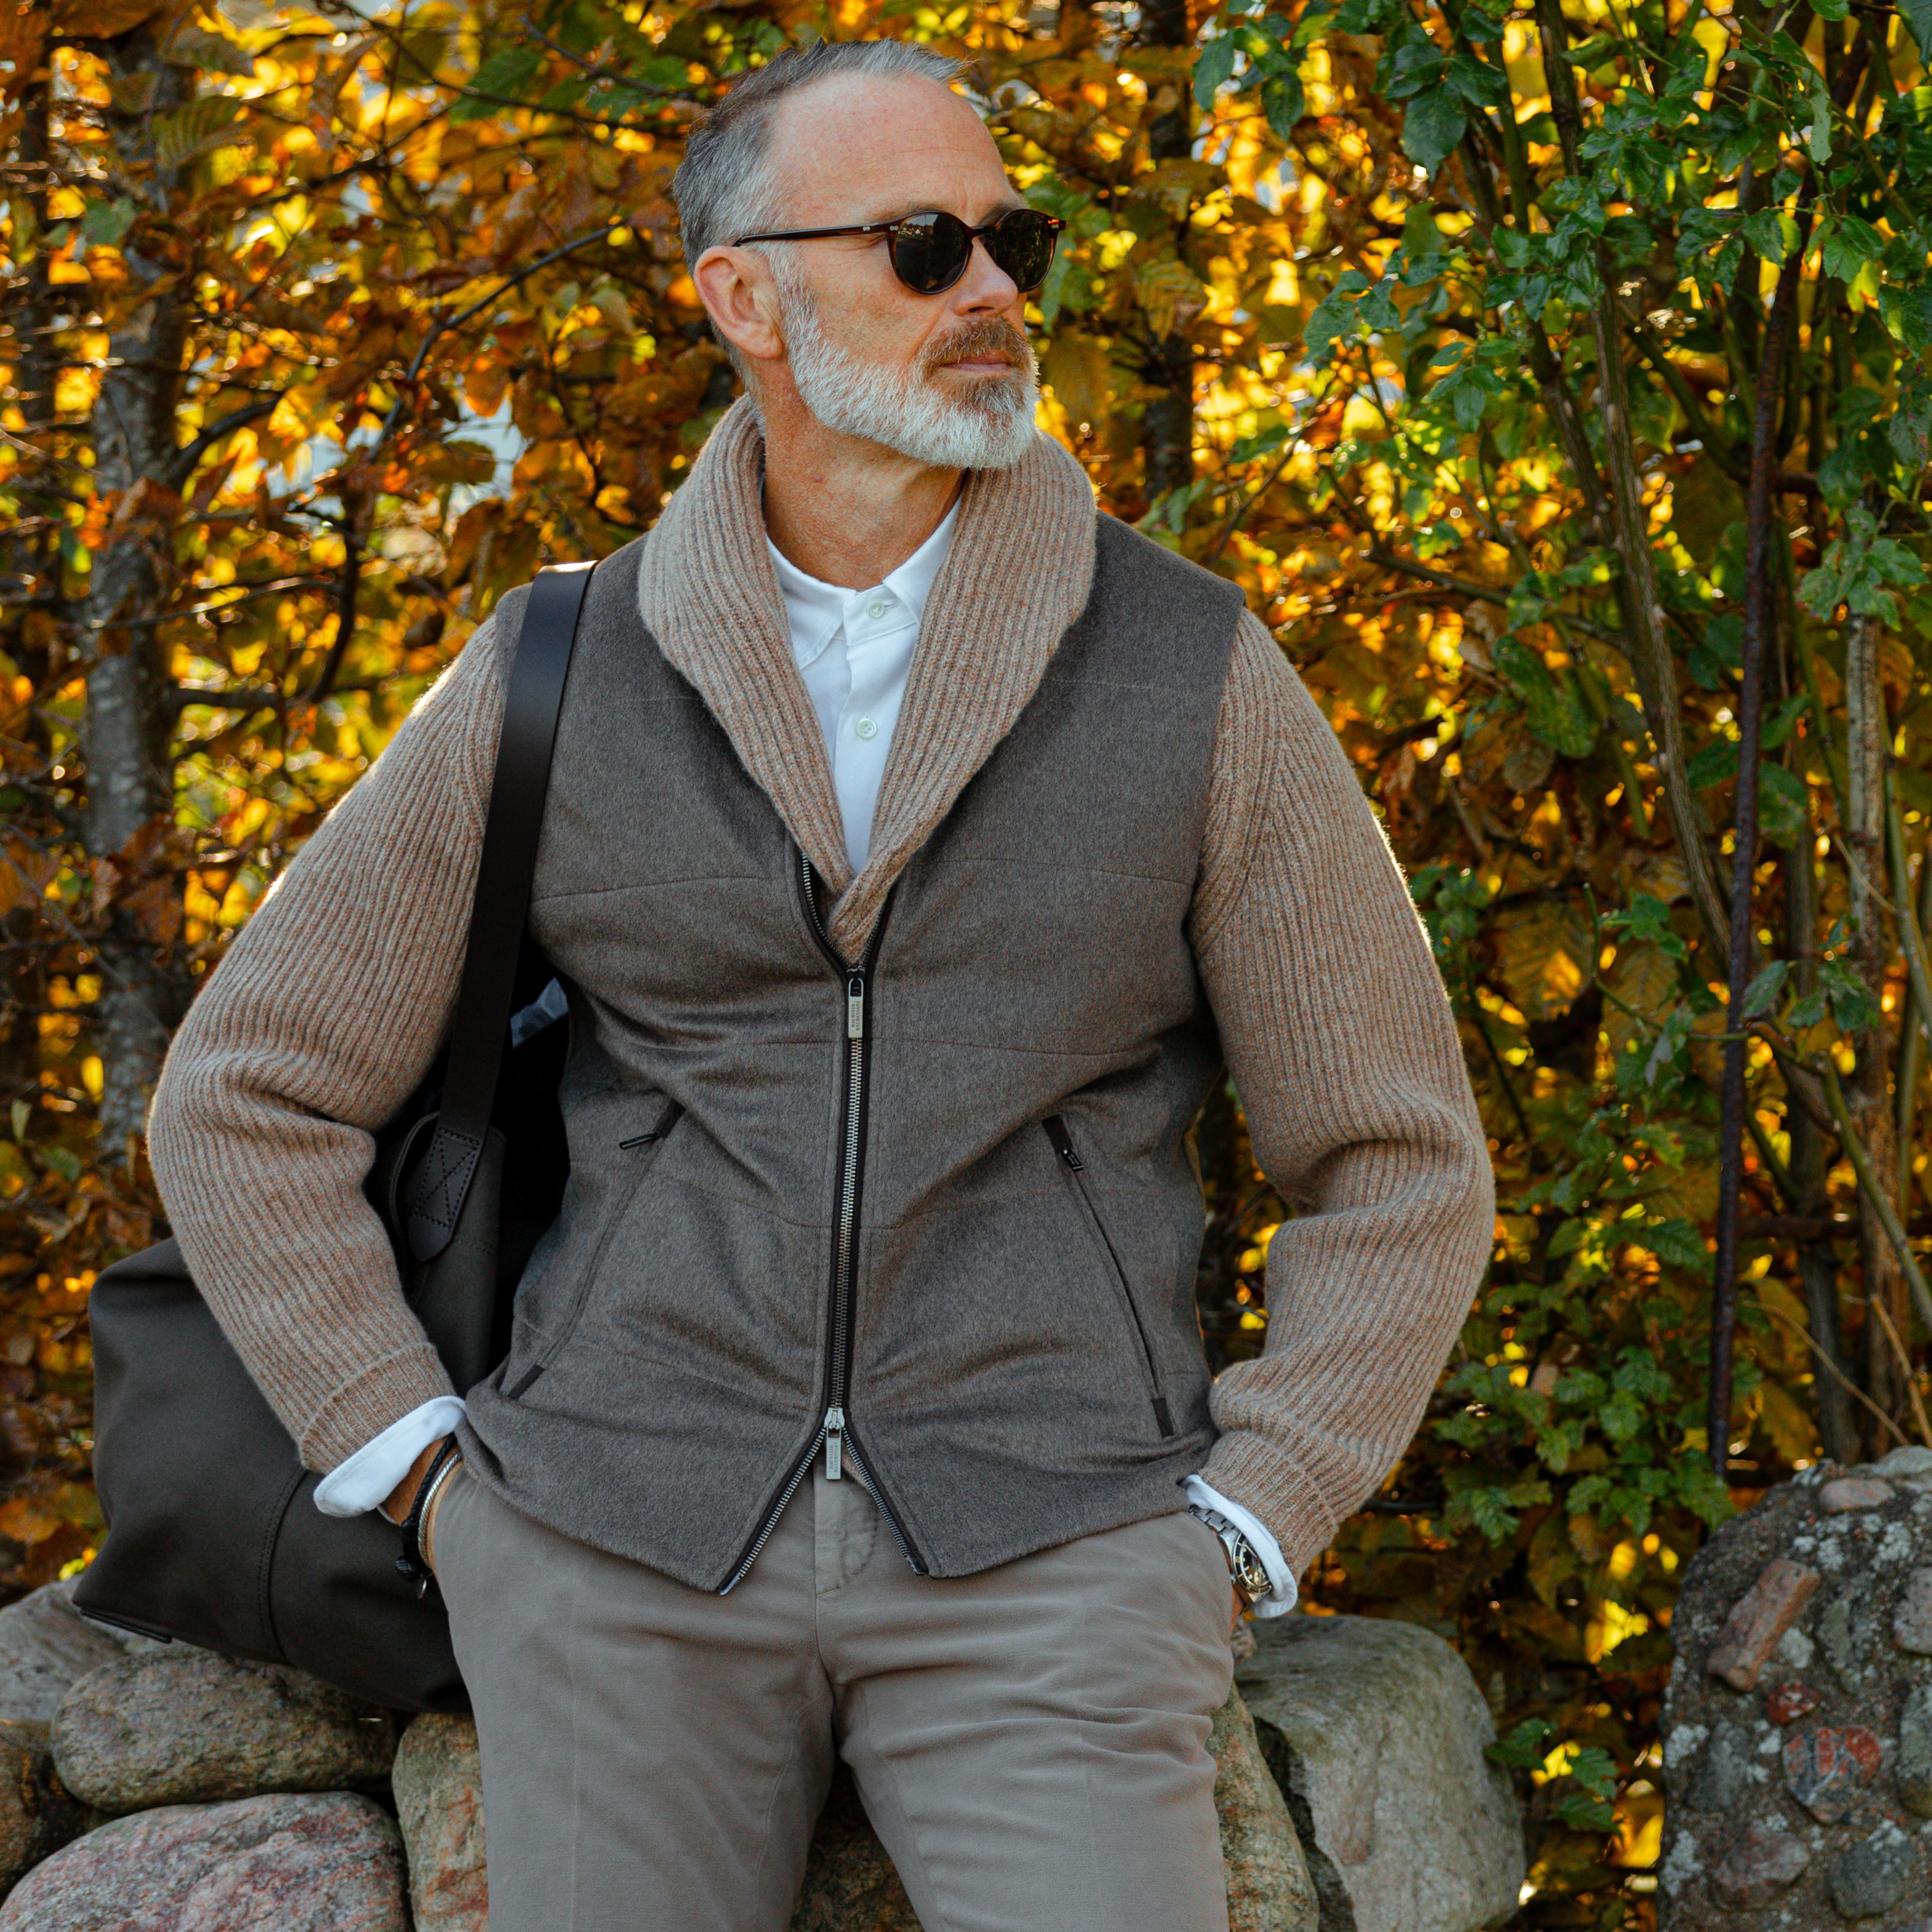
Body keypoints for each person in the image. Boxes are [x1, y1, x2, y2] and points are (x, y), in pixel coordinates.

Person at [147, 38, 1493, 1932]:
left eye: (1012, 239)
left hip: (1060, 1553)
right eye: (927, 245)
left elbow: (1398, 1153)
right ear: (745, 297)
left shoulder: (1187, 669)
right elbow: (248, 1090)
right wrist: (432, 1485)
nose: (998, 292)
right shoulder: (564, 662)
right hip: (614, 1552)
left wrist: (1249, 1520)